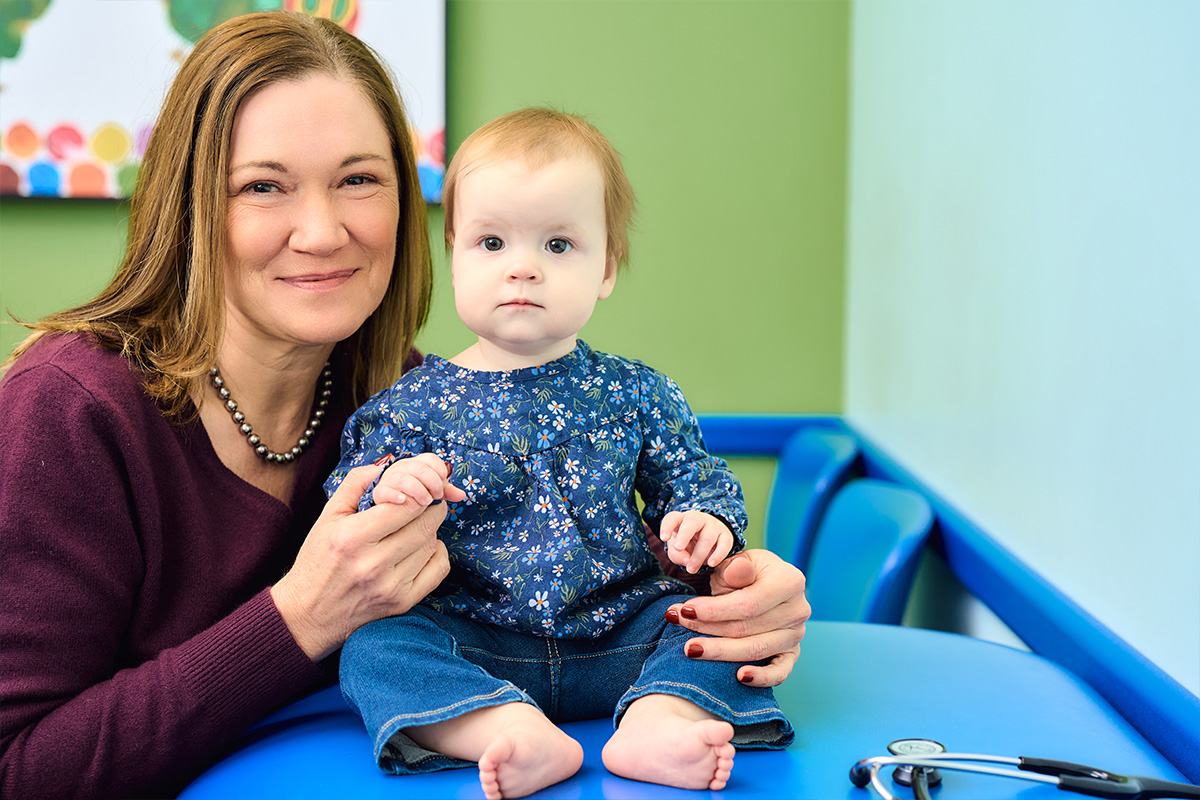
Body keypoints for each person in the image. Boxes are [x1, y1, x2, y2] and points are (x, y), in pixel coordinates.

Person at [0, 12, 809, 800]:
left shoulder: (410, 395)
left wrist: (736, 590)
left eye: (359, 180)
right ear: (188, 207)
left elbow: (569, 566)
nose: (321, 231)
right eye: (262, 186)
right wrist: (300, 618)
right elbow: (17, 770)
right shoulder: (67, 414)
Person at [325, 108, 793, 800]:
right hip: (480, 643)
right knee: (374, 650)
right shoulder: (410, 405)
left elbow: (694, 478)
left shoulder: (636, 392)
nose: (522, 268)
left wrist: (705, 521)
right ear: (453, 253)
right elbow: (348, 499)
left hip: (621, 637)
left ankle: (657, 721)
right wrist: (389, 488)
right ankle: (500, 727)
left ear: (607, 267)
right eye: (491, 243)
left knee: (717, 630)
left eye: (558, 245)